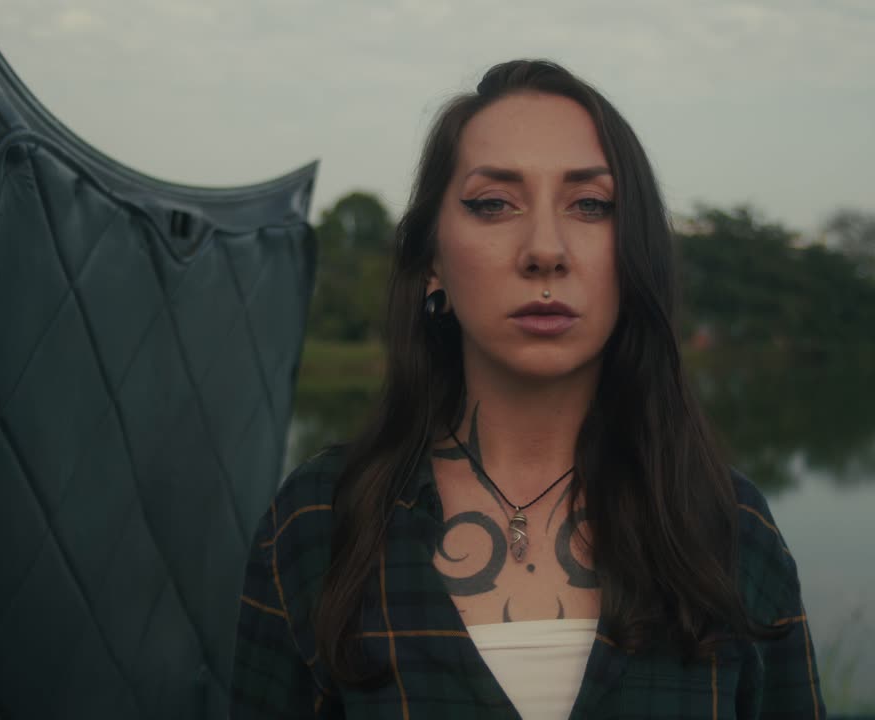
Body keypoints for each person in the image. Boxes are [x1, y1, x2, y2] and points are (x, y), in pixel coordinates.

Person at [232, 59, 826, 719]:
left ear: (634, 255)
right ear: (432, 259)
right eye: (494, 204)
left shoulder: (725, 526)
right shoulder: (321, 518)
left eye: (592, 205)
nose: (545, 249)